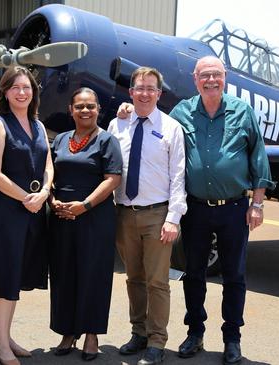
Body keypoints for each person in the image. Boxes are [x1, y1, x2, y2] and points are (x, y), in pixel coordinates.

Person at [118, 56, 274, 365]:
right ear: (195, 79)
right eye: (205, 75)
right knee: (194, 275)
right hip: (197, 209)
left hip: (234, 208)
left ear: (224, 77)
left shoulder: (243, 112)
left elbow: (259, 158)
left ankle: (232, 339)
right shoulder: (183, 113)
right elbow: (154, 124)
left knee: (234, 276)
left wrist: (257, 204)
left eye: (216, 75)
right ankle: (195, 333)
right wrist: (128, 110)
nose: (211, 80)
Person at [107, 67, 186, 365]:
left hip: (157, 214)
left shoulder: (171, 128)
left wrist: (173, 218)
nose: (144, 93)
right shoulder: (118, 125)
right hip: (124, 214)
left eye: (151, 88)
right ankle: (138, 332)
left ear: (159, 94)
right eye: (139, 87)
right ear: (130, 92)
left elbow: (178, 176)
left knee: (157, 282)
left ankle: (157, 340)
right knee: (134, 279)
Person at [0, 66, 53, 365]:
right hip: (9, 210)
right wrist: (26, 198)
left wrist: (45, 191)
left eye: (28, 87)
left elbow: (48, 163)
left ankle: (6, 337)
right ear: (5, 92)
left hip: (35, 208)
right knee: (5, 275)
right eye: (16, 87)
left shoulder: (39, 125)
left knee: (18, 274)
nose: (22, 92)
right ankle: (0, 345)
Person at [48, 87, 122, 361]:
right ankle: (68, 331)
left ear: (98, 109)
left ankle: (91, 334)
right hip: (62, 218)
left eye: (90, 106)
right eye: (79, 106)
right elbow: (49, 174)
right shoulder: (62, 140)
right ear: (71, 110)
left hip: (95, 217)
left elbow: (112, 179)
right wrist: (52, 199)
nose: (85, 110)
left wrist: (84, 206)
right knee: (64, 274)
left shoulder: (106, 141)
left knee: (93, 276)